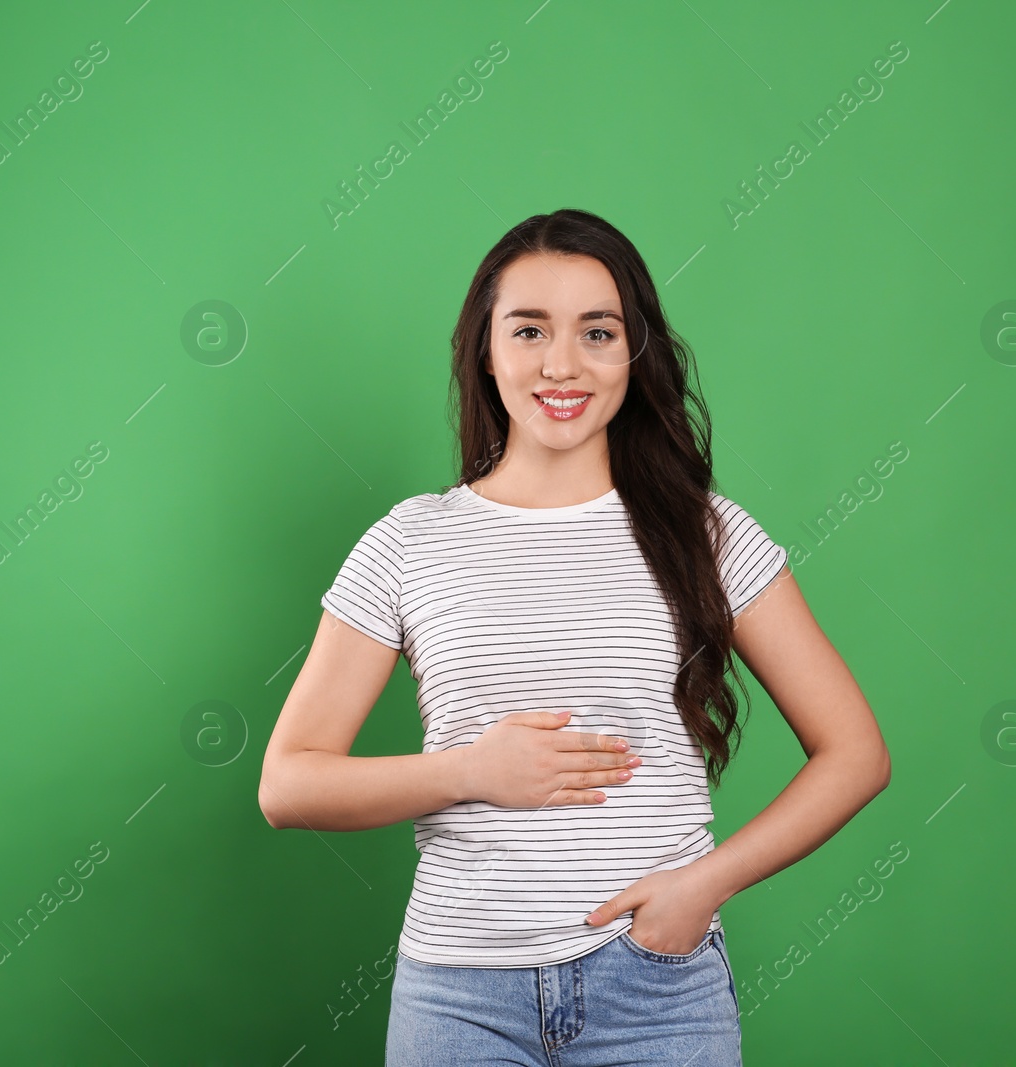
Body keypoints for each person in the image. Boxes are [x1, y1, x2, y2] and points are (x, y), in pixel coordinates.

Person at [258, 208, 890, 1066]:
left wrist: (702, 888)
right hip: (458, 994)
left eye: (598, 331)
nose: (562, 364)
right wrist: (471, 770)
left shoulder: (706, 532)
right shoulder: (411, 540)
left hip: (657, 987)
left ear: (635, 352)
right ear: (486, 349)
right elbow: (289, 784)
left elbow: (855, 750)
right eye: (529, 330)